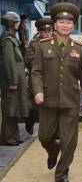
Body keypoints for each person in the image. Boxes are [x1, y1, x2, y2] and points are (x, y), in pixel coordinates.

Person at [31, 2, 82, 182]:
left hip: (70, 100)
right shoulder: (42, 46)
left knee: (69, 140)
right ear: (55, 24)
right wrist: (37, 91)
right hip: (47, 99)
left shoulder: (79, 49)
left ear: (73, 25)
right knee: (45, 136)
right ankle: (52, 150)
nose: (65, 25)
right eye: (61, 22)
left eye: (69, 22)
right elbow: (36, 72)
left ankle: (62, 173)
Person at [0, 12, 28, 146]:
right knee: (10, 109)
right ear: (11, 23)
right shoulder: (7, 40)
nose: (18, 24)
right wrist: (13, 81)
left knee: (14, 108)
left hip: (15, 80)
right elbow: (9, 62)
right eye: (16, 22)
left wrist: (24, 30)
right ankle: (8, 138)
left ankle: (14, 136)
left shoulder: (12, 38)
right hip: (12, 81)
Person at [25, 17, 54, 135]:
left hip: (52, 79)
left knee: (50, 103)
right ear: (40, 32)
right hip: (37, 78)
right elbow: (28, 60)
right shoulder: (34, 44)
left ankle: (46, 130)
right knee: (35, 105)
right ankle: (30, 122)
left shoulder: (56, 42)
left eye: (49, 31)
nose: (47, 33)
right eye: (44, 31)